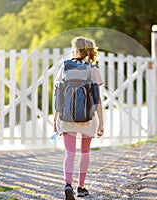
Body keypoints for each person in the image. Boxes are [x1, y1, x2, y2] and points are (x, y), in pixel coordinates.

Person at [53, 36, 104, 199]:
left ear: (75, 49)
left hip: (67, 117)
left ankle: (68, 184)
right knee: (85, 152)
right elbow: (97, 100)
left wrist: (56, 119)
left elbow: (58, 95)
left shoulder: (64, 67)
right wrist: (101, 123)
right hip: (87, 118)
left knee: (70, 153)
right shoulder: (93, 69)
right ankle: (81, 187)